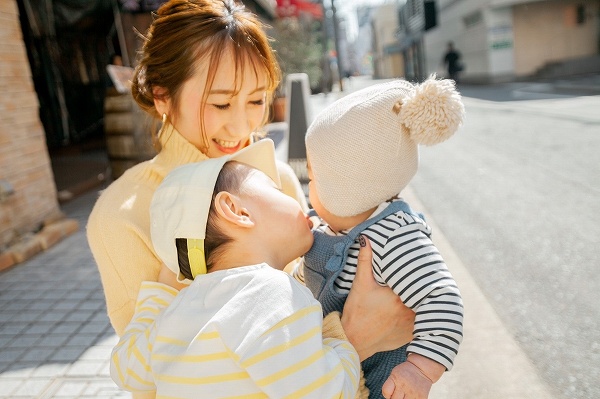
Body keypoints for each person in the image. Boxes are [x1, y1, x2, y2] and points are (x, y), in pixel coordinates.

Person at [88, 1, 416, 398]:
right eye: (221, 103)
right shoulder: (120, 216)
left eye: (258, 100)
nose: (244, 126)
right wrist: (354, 338)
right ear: (161, 96)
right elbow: (155, 385)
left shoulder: (271, 175)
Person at [110, 139, 409, 398]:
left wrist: (163, 287)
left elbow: (125, 367)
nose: (303, 202)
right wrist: (343, 345)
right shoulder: (272, 293)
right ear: (236, 211)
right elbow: (325, 391)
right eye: (275, 188)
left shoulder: (178, 311)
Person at [296, 76, 466, 399]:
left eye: (314, 177)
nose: (308, 188)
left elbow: (443, 299)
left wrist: (420, 370)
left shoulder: (395, 236)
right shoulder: (337, 225)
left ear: (347, 191)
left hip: (381, 386)